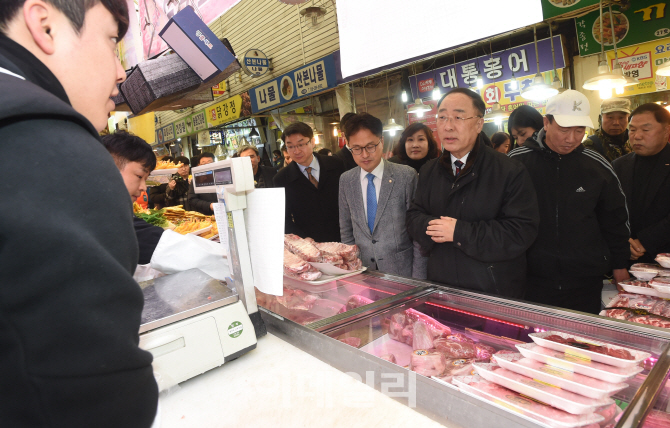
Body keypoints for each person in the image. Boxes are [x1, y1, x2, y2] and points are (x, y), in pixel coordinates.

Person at [0, 1, 158, 426]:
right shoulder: (48, 143)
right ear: (45, 25)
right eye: (112, 41)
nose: (122, 72)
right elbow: (100, 396)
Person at [406, 88, 540, 298]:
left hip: (493, 291)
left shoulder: (509, 170)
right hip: (443, 287)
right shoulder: (429, 170)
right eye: (442, 117)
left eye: (458, 117)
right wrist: (433, 228)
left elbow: (520, 232)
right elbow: (414, 216)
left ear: (479, 124)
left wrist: (459, 232)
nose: (448, 126)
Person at [509, 90, 630, 314]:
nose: (572, 138)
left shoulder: (597, 165)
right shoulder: (516, 163)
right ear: (546, 123)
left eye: (579, 130)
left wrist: (620, 265)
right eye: (564, 130)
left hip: (584, 281)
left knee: (582, 345)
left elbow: (615, 220)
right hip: (529, 279)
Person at [339, 113, 424, 277]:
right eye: (356, 148)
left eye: (370, 146)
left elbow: (418, 234)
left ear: (382, 142)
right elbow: (346, 230)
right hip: (363, 270)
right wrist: (351, 271)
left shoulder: (406, 176)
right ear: (349, 146)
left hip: (401, 270)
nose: (364, 155)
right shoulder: (346, 180)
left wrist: (419, 279)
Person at [613, 103, 670, 265]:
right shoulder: (618, 166)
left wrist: (645, 241)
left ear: (666, 130)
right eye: (632, 129)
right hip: (627, 258)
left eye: (645, 130)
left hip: (664, 257)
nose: (637, 136)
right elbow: (608, 210)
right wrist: (623, 243)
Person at [274, 121, 345, 242]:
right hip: (309, 244)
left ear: (312, 142)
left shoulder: (336, 165)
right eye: (290, 146)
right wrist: (303, 239)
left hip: (343, 237)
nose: (296, 151)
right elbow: (283, 219)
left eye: (301, 144)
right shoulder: (282, 179)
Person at [102, 132, 164, 265]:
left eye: (146, 180)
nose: (143, 187)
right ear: (109, 168)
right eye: (139, 176)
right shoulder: (104, 219)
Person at [584, 97, 632, 163]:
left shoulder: (635, 141)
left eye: (621, 117)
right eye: (610, 117)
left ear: (628, 119)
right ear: (600, 119)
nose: (616, 123)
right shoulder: (590, 146)